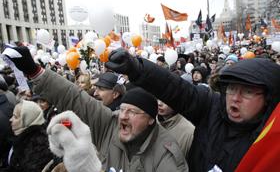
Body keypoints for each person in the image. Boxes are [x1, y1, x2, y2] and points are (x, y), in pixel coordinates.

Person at [5, 46, 189, 172]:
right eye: (123, 109)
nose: (123, 117)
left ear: (151, 119)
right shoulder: (110, 125)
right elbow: (74, 98)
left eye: (132, 112)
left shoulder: (168, 156)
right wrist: (34, 71)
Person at [103, 48, 280, 171]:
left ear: (268, 98)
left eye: (247, 92)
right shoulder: (210, 107)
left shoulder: (272, 143)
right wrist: (137, 69)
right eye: (231, 89)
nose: (235, 98)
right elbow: (175, 88)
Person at [7, 100, 53, 172]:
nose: (10, 119)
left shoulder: (39, 145)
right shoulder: (22, 136)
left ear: (27, 119)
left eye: (15, 117)